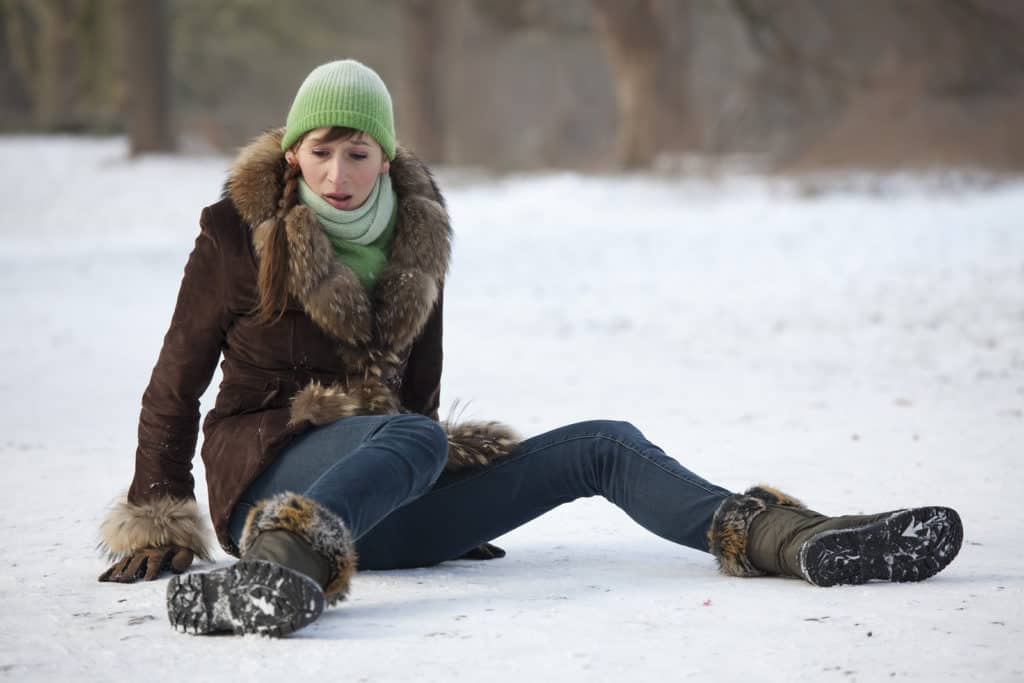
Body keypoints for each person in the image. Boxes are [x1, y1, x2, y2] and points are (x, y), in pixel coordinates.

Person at [98, 60, 964, 637]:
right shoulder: (234, 234)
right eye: (320, 151)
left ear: (384, 156)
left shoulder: (417, 239)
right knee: (417, 435)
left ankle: (792, 539)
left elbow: (416, 393)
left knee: (602, 443)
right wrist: (160, 515)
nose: (337, 173)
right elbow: (175, 383)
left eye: (356, 152)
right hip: (270, 484)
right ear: (293, 154)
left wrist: (439, 493)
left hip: (378, 507)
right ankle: (278, 574)